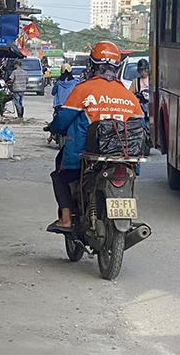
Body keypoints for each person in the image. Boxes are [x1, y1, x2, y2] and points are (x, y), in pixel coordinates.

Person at [46, 41, 143, 234]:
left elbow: (63, 120)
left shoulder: (83, 89)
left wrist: (53, 127)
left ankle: (66, 219)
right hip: (126, 158)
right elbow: (141, 127)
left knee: (60, 177)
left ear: (92, 65)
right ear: (117, 67)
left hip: (86, 156)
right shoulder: (129, 96)